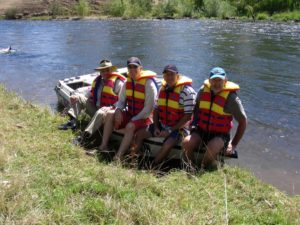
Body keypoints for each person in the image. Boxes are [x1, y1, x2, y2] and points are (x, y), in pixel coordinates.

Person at [182, 67, 247, 171]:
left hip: (220, 135)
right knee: (186, 142)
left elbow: (243, 122)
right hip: (201, 130)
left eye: (219, 80)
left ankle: (202, 168)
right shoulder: (203, 91)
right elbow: (197, 109)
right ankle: (190, 166)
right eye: (214, 80)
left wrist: (233, 144)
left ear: (225, 81)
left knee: (212, 147)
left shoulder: (232, 98)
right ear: (209, 80)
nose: (216, 83)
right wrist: (193, 125)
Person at [132, 64, 196, 166]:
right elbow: (156, 110)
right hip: (163, 124)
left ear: (177, 76)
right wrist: (157, 127)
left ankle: (153, 167)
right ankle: (132, 161)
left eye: (172, 74)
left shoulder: (187, 92)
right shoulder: (162, 89)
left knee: (167, 144)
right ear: (164, 76)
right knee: (139, 134)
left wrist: (170, 130)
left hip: (179, 128)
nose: (169, 77)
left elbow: (188, 116)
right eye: (166, 75)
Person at [95, 57, 157, 160]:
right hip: (131, 114)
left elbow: (148, 109)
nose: (132, 70)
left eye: (135, 67)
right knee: (110, 113)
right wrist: (118, 110)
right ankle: (104, 145)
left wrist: (133, 119)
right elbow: (121, 101)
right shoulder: (127, 82)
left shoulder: (149, 84)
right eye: (130, 67)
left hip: (145, 118)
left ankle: (118, 156)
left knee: (130, 126)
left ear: (140, 68)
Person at [58, 60, 126, 144]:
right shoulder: (98, 82)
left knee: (101, 112)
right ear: (100, 72)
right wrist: (76, 95)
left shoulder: (118, 83)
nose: (105, 72)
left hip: (110, 114)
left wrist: (111, 107)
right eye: (102, 70)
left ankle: (85, 137)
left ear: (111, 70)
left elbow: (123, 101)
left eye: (107, 70)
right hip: (97, 110)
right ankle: (72, 122)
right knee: (78, 97)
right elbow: (89, 92)